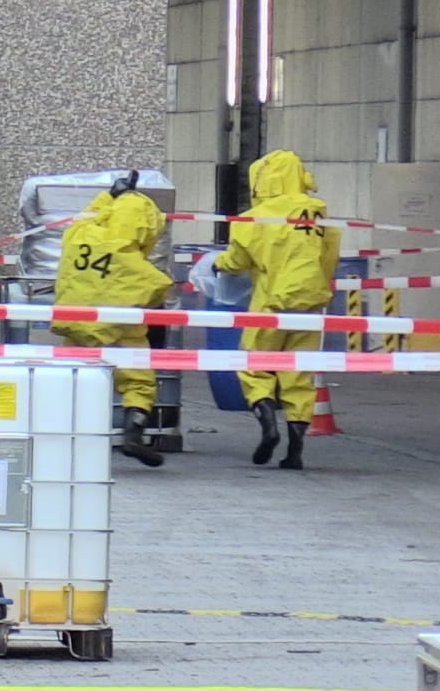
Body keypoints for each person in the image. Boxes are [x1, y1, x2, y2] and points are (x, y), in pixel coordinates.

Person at [200, 149, 341, 470]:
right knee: (299, 374)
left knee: (254, 365)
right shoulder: (319, 214)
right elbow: (329, 259)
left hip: (271, 305)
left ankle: (268, 426)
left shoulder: (256, 218)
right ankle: (295, 449)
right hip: (311, 305)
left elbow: (237, 262)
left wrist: (218, 264)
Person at [51, 173, 172, 467]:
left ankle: (65, 437)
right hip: (120, 332)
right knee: (139, 383)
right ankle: (133, 433)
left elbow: (86, 216)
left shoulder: (80, 234)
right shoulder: (142, 270)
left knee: (71, 381)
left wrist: (110, 195)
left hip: (75, 326)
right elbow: (157, 293)